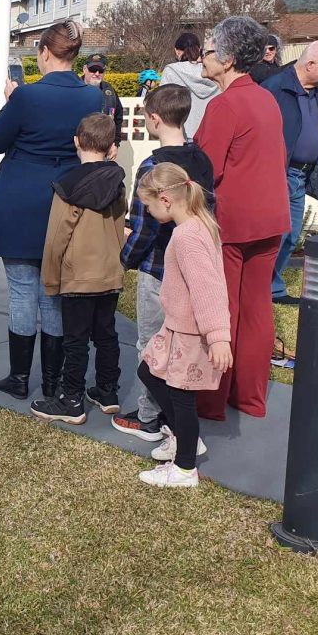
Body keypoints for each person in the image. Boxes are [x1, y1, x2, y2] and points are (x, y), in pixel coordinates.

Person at [0, 19, 103, 400]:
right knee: (53, 291)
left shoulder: (27, 97)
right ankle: (51, 381)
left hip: (19, 198)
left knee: (21, 291)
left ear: (45, 53)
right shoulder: (92, 98)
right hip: (65, 199)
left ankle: (19, 378)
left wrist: (12, 101)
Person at [194, 16, 290, 420]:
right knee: (256, 309)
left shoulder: (225, 104)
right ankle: (250, 398)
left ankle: (212, 401)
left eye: (209, 50)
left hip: (233, 223)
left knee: (224, 311)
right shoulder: (266, 98)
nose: (203, 57)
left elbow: (205, 170)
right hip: (271, 218)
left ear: (229, 58)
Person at [113, 85, 215, 440]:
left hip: (159, 270)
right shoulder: (202, 160)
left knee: (152, 345)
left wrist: (125, 261)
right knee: (183, 345)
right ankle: (178, 412)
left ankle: (150, 417)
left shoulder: (153, 167)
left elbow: (142, 228)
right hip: (194, 269)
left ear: (154, 119)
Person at [134, 162, 233, 488]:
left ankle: (185, 469)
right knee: (148, 370)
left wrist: (218, 336)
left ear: (165, 199)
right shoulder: (196, 226)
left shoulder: (187, 236)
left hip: (190, 332)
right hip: (177, 326)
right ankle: (187, 440)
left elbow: (208, 288)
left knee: (181, 398)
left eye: (147, 205)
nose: (147, 212)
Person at [30, 112, 127, 425]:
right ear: (111, 146)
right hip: (109, 269)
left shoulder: (67, 185)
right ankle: (108, 391)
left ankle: (72, 399)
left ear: (76, 142)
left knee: (76, 340)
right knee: (106, 334)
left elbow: (58, 234)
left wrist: (51, 275)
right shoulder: (117, 180)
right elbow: (118, 224)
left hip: (78, 274)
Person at [262, 41, 318, 305]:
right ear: (310, 65)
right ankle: (261, 289)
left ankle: (273, 288)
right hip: (279, 175)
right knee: (276, 235)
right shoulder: (275, 88)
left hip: (300, 177)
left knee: (291, 235)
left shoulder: (317, 94)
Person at [159, 32, 219, 139]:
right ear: (199, 49)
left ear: (177, 51)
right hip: (212, 134)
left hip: (181, 134)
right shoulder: (212, 70)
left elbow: (161, 104)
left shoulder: (171, 71)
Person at [81, 53, 124, 143]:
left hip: (104, 147)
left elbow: (118, 117)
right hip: (79, 147)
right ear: (85, 69)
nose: (97, 74)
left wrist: (115, 143)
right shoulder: (74, 89)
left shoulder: (109, 90)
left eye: (100, 70)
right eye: (93, 69)